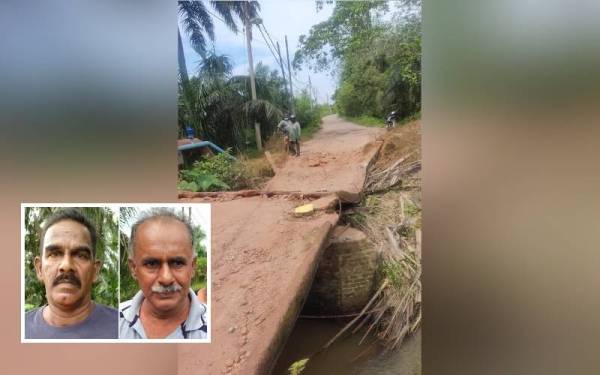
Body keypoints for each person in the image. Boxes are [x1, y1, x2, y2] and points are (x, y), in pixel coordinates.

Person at [25, 209, 118, 339]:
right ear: (39, 269)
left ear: (95, 271)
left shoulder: (122, 329)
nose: (66, 265)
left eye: (80, 255)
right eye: (55, 254)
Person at [119, 209, 208, 339]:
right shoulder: (113, 322)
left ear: (193, 266)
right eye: (151, 264)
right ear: (134, 268)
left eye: (177, 263)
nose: (166, 278)